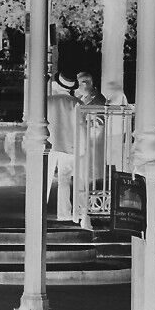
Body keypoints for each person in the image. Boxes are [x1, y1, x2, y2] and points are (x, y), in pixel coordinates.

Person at [73, 71, 104, 230]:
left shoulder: (97, 100)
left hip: (91, 147)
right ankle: (81, 213)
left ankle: (87, 215)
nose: (80, 86)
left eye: (83, 82)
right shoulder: (82, 99)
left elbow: (98, 126)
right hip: (82, 146)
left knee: (87, 182)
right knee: (81, 181)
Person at [46, 68, 78, 222]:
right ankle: (64, 213)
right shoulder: (77, 103)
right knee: (64, 180)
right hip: (69, 145)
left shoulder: (48, 101)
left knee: (45, 177)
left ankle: (39, 209)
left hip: (49, 144)